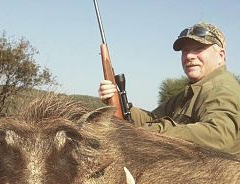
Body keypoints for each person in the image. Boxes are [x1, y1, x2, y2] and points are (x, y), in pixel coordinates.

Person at [99, 22, 240, 158]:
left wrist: (154, 131)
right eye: (185, 51)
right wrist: (118, 103)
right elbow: (152, 119)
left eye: (198, 48)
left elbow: (219, 137)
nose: (189, 56)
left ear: (221, 55)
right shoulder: (191, 91)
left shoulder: (221, 89)